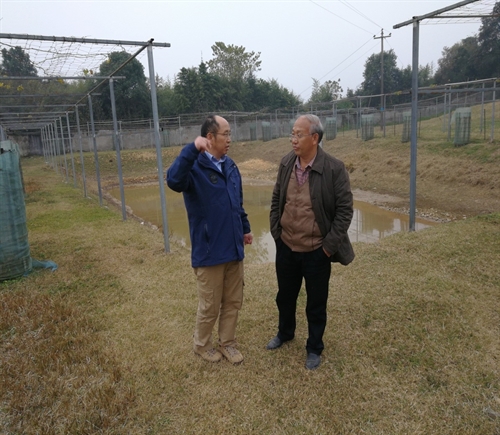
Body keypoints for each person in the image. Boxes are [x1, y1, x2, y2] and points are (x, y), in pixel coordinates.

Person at [266, 114, 354, 370]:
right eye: (292, 134)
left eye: (299, 134)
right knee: (285, 296)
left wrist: (327, 248)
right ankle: (285, 332)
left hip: (317, 251)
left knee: (316, 303)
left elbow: (345, 211)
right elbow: (276, 199)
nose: (293, 139)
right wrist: (276, 233)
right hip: (286, 246)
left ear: (314, 138)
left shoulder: (334, 168)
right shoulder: (286, 163)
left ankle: (314, 347)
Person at [166, 114, 253, 364]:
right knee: (210, 306)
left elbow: (237, 204)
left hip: (233, 249)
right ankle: (202, 345)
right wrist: (192, 149)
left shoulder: (231, 166)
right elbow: (173, 180)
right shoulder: (194, 167)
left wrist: (245, 228)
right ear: (210, 137)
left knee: (233, 302)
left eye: (230, 134)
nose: (229, 139)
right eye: (225, 134)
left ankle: (228, 343)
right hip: (209, 251)